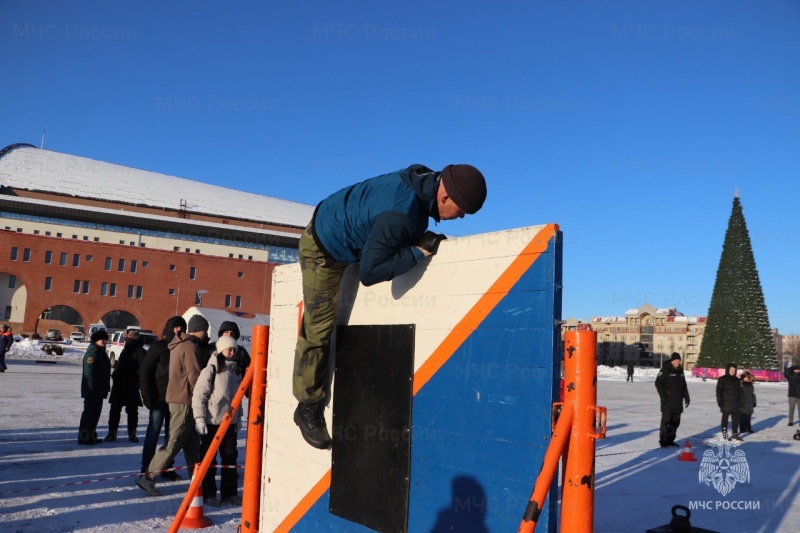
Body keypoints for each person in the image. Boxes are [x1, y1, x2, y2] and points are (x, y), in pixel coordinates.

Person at [293, 163, 487, 449]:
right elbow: (371, 274)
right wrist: (418, 251)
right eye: (461, 211)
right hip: (322, 248)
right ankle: (306, 405)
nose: (459, 218)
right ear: (445, 197)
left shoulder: (421, 178)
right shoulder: (404, 217)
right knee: (319, 326)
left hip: (336, 215)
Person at [137, 315, 208, 496]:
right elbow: (195, 376)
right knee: (173, 442)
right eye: (205, 330)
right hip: (184, 400)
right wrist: (203, 397)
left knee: (192, 444)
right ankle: (148, 477)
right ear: (197, 330)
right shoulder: (190, 347)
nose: (207, 333)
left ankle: (196, 482)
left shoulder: (177, 344)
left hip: (180, 399)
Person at [192, 335, 244, 506]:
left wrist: (239, 417)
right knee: (209, 458)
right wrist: (199, 418)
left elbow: (237, 396)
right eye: (229, 349)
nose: (232, 352)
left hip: (229, 422)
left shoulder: (235, 370)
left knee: (230, 457)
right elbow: (199, 394)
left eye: (234, 350)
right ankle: (208, 493)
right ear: (221, 351)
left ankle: (229, 493)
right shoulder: (211, 369)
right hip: (212, 421)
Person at [139, 316, 187, 480]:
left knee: (171, 436)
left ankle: (166, 467)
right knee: (153, 433)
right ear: (169, 328)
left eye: (181, 327)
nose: (178, 330)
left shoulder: (182, 348)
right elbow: (145, 372)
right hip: (158, 398)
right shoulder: (158, 347)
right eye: (176, 327)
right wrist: (147, 396)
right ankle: (146, 467)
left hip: (176, 399)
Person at [105, 329, 145, 442]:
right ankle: (112, 433)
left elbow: (143, 368)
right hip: (119, 385)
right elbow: (120, 365)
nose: (125, 339)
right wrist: (116, 374)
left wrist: (133, 377)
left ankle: (132, 434)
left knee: (132, 412)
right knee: (114, 411)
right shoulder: (126, 349)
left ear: (132, 338)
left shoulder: (140, 351)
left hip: (131, 386)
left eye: (127, 338)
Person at [78, 330, 111, 445]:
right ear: (96, 339)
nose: (105, 341)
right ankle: (84, 438)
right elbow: (89, 373)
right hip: (92, 390)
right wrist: (91, 389)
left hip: (99, 389)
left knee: (95, 414)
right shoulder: (92, 353)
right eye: (103, 339)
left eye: (106, 339)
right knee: (89, 414)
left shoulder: (100, 352)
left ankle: (91, 436)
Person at [654, 353, 690, 448]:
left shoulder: (681, 371)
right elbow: (658, 383)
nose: (677, 362)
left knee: (675, 422)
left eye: (679, 360)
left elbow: (684, 386)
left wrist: (687, 397)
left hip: (678, 402)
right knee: (666, 421)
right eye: (676, 360)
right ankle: (663, 441)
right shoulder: (665, 369)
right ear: (672, 361)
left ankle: (671, 441)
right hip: (667, 401)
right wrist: (662, 396)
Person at [717, 363, 743, 441]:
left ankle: (735, 434)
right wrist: (719, 401)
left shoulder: (737, 380)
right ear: (728, 370)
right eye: (731, 370)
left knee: (736, 420)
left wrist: (742, 400)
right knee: (725, 420)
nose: (732, 371)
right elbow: (719, 391)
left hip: (735, 403)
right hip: (726, 403)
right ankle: (724, 434)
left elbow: (740, 391)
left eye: (734, 370)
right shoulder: (722, 379)